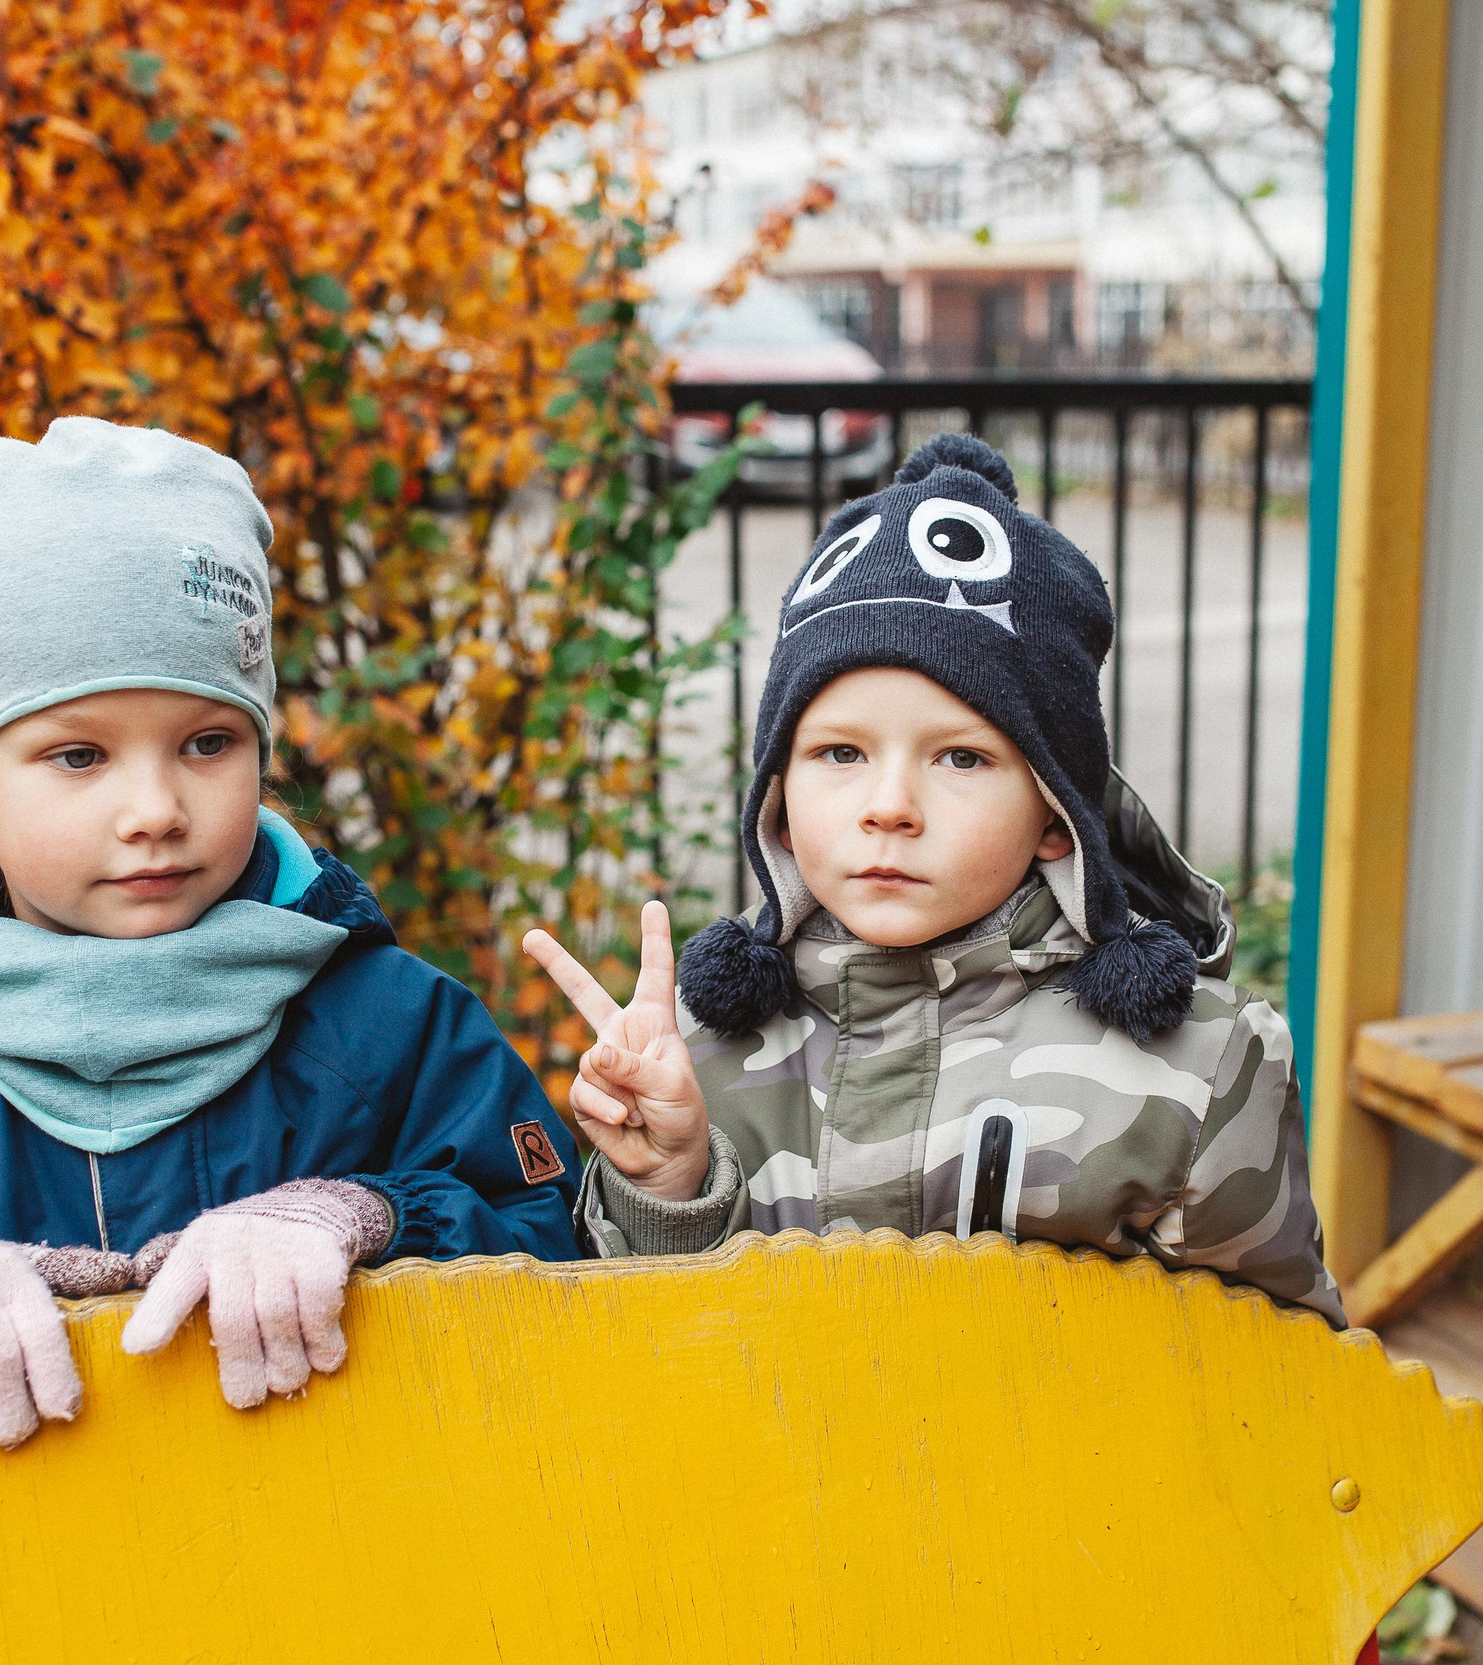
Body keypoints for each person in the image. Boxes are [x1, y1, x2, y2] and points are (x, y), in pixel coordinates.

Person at [0, 418, 581, 1450]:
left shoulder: (395, 1023)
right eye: (78, 754)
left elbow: (556, 1264)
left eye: (208, 741)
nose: (154, 806)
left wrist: (369, 1220)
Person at [523, 433, 1340, 1324]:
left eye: (960, 757)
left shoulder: (1194, 1070)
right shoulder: (698, 1049)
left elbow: (1284, 1380)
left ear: (1058, 819)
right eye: (839, 751)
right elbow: (643, 1361)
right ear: (780, 802)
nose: (890, 805)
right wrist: (667, 1184)